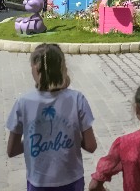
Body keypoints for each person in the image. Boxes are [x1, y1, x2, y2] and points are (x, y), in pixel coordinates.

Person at [7, 43, 97, 191]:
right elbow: (91, 146)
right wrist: (70, 136)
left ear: (35, 69)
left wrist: (35, 140)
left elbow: (12, 150)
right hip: (72, 181)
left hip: (38, 183)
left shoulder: (23, 102)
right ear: (63, 68)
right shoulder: (77, 99)